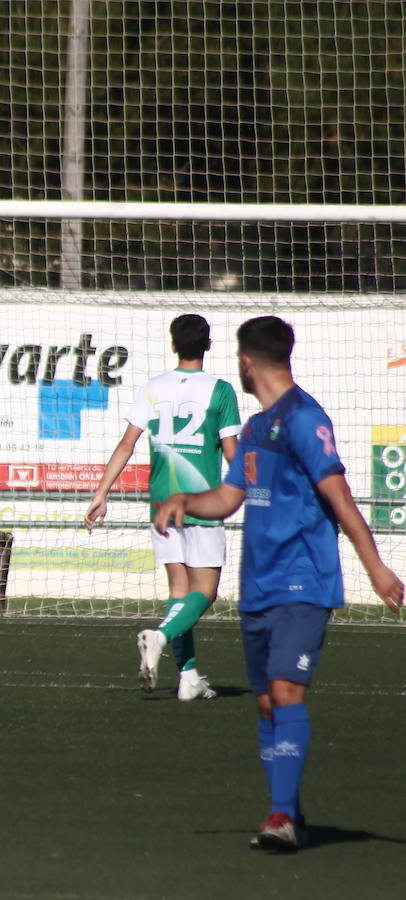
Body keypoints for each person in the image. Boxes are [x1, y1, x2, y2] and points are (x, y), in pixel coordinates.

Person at [155, 315, 403, 853]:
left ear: (246, 362)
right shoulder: (252, 428)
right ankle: (287, 811)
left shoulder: (305, 419)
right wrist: (187, 502)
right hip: (259, 587)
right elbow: (228, 497)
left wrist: (375, 567)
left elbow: (340, 497)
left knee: (286, 694)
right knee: (267, 704)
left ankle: (280, 819)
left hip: (304, 582)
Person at [85, 314, 240, 700]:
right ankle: (160, 636)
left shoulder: (153, 387)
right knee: (205, 592)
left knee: (180, 591)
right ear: (208, 345)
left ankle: (187, 678)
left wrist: (101, 494)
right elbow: (234, 455)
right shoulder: (221, 391)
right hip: (202, 502)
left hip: (160, 503)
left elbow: (126, 445)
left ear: (173, 345)